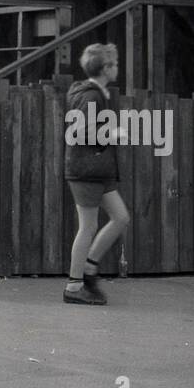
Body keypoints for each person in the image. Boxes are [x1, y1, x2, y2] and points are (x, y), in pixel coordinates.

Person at [62, 43, 130, 306]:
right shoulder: (91, 97)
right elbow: (80, 133)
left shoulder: (95, 93)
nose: (117, 69)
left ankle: (89, 268)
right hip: (86, 171)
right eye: (114, 64)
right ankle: (74, 285)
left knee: (121, 217)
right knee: (88, 226)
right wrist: (114, 134)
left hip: (98, 170)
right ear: (105, 68)